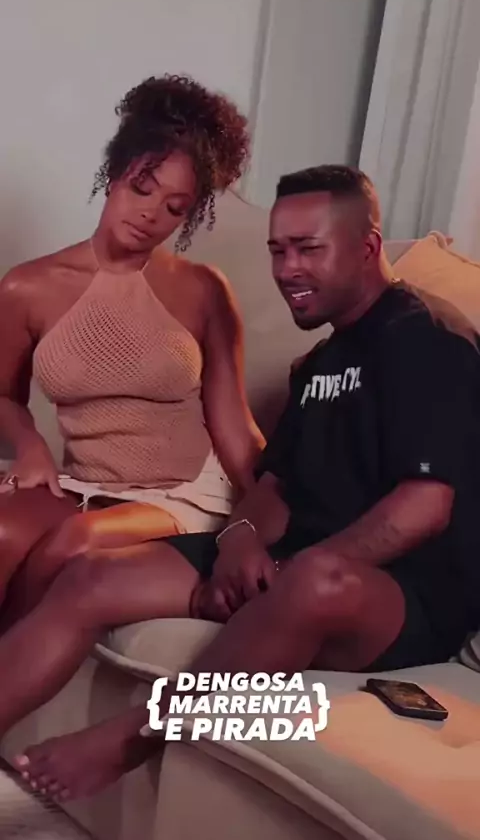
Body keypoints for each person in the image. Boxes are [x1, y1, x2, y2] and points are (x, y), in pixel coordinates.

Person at [5, 164, 480, 800]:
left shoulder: (428, 340)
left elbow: (424, 508)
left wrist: (285, 573)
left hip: (403, 600)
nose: (287, 270)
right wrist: (240, 540)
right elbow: (273, 484)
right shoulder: (321, 361)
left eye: (308, 249)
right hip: (297, 560)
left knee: (316, 579)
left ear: (367, 247)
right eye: (278, 251)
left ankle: (126, 741)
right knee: (92, 574)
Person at [0, 74, 263, 617]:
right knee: (4, 533)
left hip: (183, 492)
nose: (150, 214)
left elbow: (234, 427)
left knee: (71, 544)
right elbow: (3, 396)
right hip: (83, 485)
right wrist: (29, 446)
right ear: (115, 171)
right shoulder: (26, 288)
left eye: (174, 207)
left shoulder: (204, 290)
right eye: (143, 189)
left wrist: (275, 508)